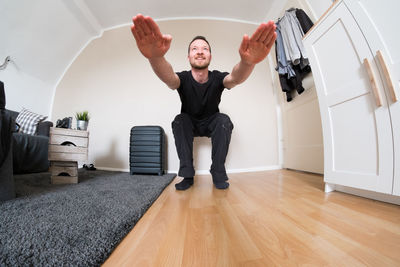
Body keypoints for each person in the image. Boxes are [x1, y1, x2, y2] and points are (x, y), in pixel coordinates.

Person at [131, 14, 276, 190]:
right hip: (188, 122)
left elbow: (235, 78)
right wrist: (155, 57)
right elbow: (170, 78)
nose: (199, 51)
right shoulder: (182, 78)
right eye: (194, 49)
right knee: (179, 120)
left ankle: (217, 172)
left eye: (204, 48)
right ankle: (187, 175)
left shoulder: (217, 77)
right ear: (188, 56)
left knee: (224, 120)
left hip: (212, 122)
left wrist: (248, 63)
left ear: (210, 55)